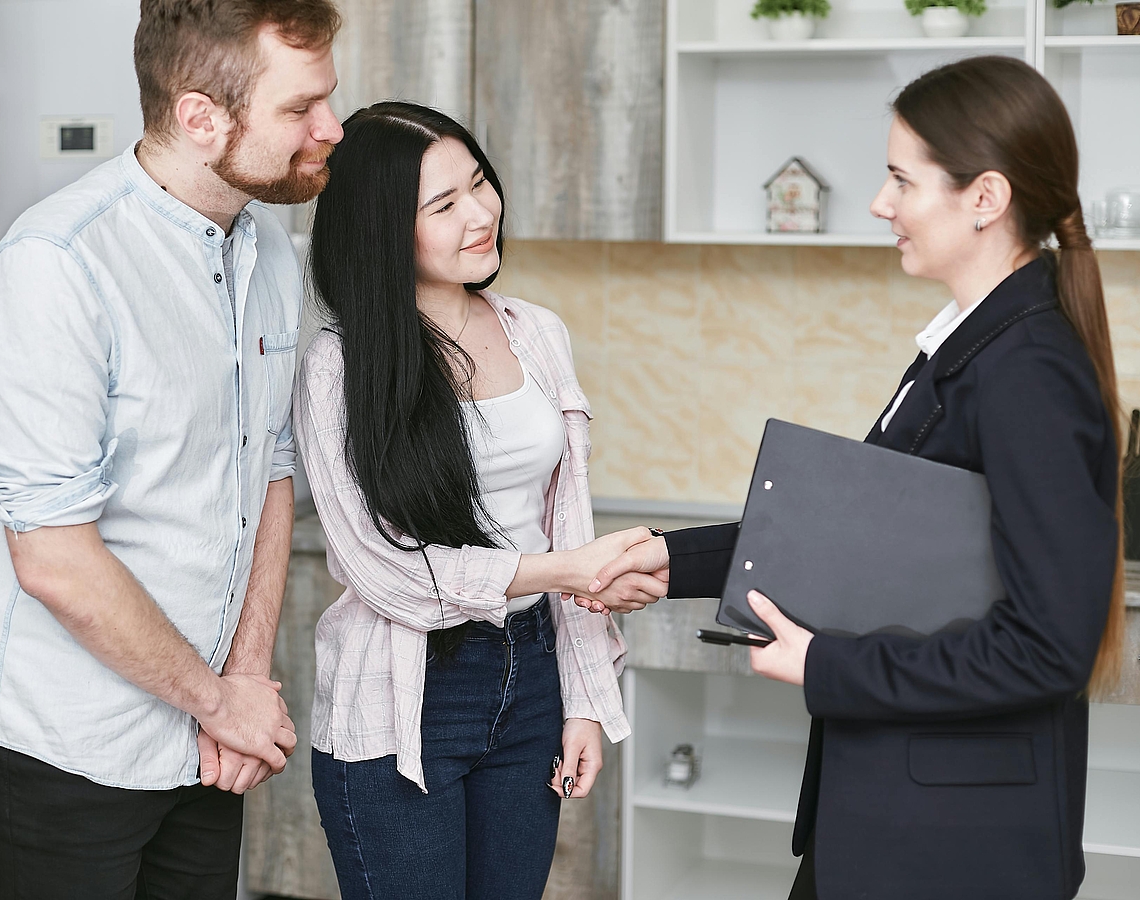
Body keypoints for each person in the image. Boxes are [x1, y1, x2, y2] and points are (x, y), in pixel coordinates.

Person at [586, 56, 1125, 900]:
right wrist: (669, 561)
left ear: (984, 197)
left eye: (901, 180)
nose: (882, 204)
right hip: (900, 820)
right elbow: (860, 543)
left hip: (958, 844)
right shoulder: (968, 347)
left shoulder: (1028, 373)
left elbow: (1047, 649)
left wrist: (829, 665)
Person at [0, 2, 344, 897]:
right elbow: (51, 558)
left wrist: (240, 683)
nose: (332, 128)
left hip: (204, 739)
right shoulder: (58, 265)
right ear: (202, 116)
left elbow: (269, 468)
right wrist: (219, 700)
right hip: (65, 746)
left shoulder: (269, 250)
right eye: (299, 107)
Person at [295, 101, 666, 900]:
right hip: (403, 693)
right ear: (382, 230)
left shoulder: (537, 331)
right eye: (444, 204)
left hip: (531, 679)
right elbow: (385, 574)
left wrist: (585, 704)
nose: (481, 212)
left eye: (480, 183)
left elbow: (566, 520)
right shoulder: (340, 367)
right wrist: (570, 569)